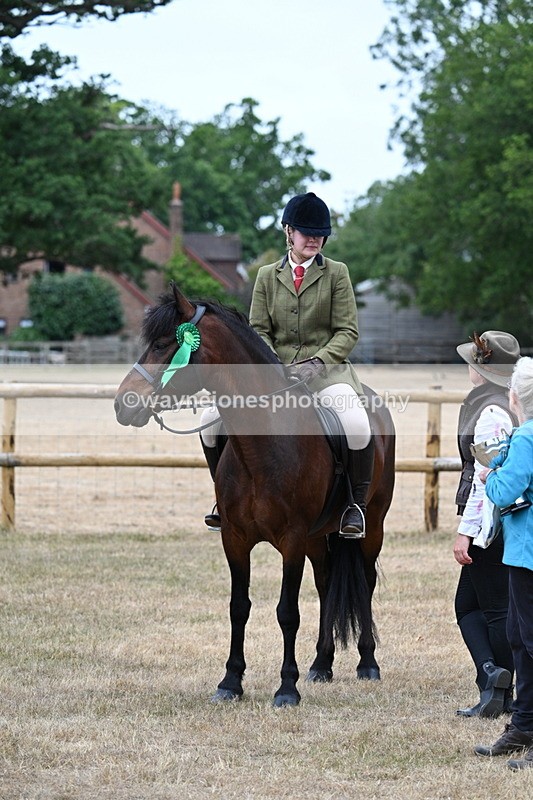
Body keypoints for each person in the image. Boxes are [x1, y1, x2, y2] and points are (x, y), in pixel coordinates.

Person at [201, 191, 372, 537]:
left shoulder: (337, 273)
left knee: (356, 423)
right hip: (272, 374)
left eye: (320, 234)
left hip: (325, 373)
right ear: (289, 232)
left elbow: (347, 331)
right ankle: (224, 496)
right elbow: (258, 330)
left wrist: (317, 363)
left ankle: (355, 505)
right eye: (307, 232)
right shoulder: (267, 275)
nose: (314, 239)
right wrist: (273, 365)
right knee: (209, 420)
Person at [453, 331, 520, 718]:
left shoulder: (491, 412)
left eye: (473, 361)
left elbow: (485, 481)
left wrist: (467, 531)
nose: (468, 366)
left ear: (484, 368)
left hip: (491, 524)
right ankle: (493, 680)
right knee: (469, 605)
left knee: (493, 609)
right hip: (497, 522)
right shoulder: (499, 401)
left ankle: (500, 691)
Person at [474, 356, 533, 770]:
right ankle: (524, 725)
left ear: (515, 398)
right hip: (522, 551)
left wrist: (489, 475)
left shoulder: (526, 436)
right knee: (518, 635)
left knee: (529, 640)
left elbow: (503, 491)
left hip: (527, 552)